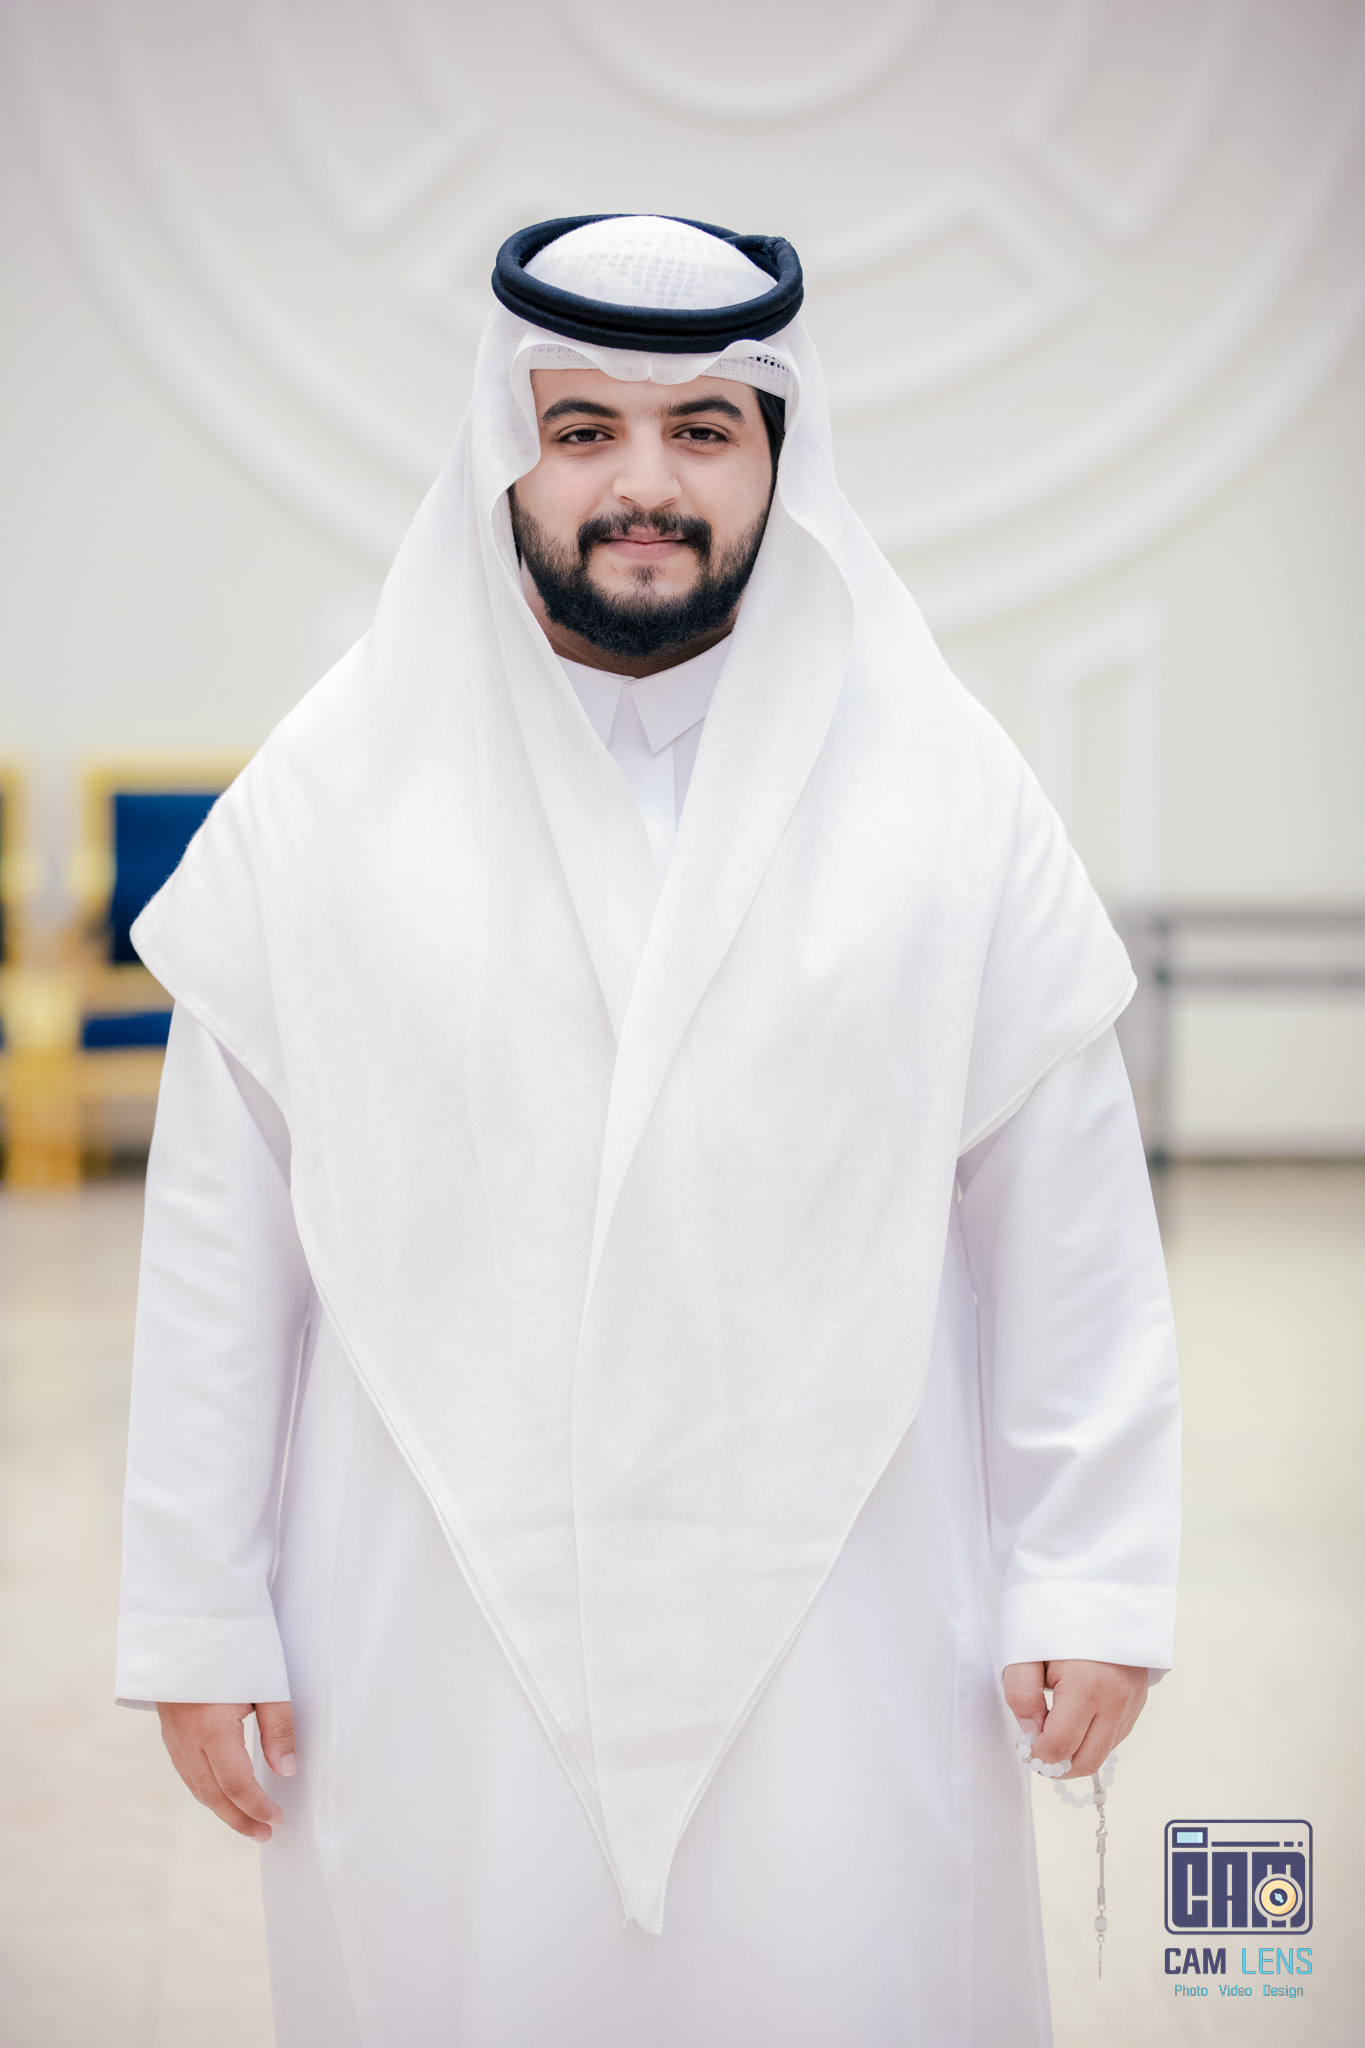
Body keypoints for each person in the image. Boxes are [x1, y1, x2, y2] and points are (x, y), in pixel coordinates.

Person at [117, 213, 1179, 2047]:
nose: (643, 484)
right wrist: (199, 1610)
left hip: (856, 1615)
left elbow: (1062, 1214)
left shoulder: (943, 792)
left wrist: (1084, 1570)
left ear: (777, 455)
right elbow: (224, 1241)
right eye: (582, 427)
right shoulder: (333, 793)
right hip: (426, 1625)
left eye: (701, 429)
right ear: (504, 450)